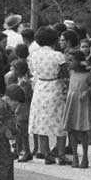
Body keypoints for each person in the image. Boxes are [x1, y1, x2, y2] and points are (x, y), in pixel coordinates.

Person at [27, 26, 69, 164]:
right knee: (59, 120)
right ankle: (61, 154)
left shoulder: (34, 55)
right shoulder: (58, 55)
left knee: (41, 121)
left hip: (40, 87)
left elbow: (32, 71)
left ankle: (46, 153)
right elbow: (65, 74)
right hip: (55, 87)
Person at [62, 47, 91, 168]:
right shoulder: (72, 73)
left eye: (71, 61)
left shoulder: (88, 74)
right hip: (72, 102)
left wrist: (87, 92)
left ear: (79, 61)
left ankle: (85, 157)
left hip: (82, 102)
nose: (69, 63)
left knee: (83, 130)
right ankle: (75, 156)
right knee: (71, 129)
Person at [0, 84, 25, 180]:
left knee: (9, 159)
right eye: (15, 104)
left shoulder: (5, 105)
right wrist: (6, 131)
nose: (16, 107)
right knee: (5, 160)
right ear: (8, 99)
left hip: (5, 138)